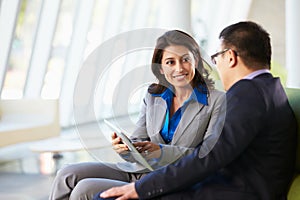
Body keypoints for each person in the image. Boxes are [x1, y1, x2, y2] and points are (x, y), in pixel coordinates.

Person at [97, 21, 298, 200]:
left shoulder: (247, 93)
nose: (216, 65)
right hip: (240, 186)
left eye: (216, 57)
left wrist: (142, 189)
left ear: (230, 57)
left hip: (236, 191)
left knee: (105, 197)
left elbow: (209, 156)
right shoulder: (270, 88)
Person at [49, 30, 226, 200]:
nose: (179, 68)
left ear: (196, 61)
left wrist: (161, 152)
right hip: (139, 170)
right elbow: (139, 140)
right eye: (170, 62)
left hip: (173, 178)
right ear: (161, 68)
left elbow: (208, 156)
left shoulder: (217, 100)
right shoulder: (153, 95)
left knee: (84, 189)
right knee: (67, 174)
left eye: (185, 60)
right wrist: (126, 149)